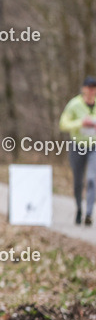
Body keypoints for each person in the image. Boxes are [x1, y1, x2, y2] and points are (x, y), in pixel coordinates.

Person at [59, 76, 96, 225]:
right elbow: (63, 124)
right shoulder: (74, 104)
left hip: (94, 146)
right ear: (83, 89)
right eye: (89, 87)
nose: (91, 90)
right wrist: (81, 123)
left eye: (94, 88)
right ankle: (79, 208)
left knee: (92, 179)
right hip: (77, 146)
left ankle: (88, 213)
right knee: (78, 180)